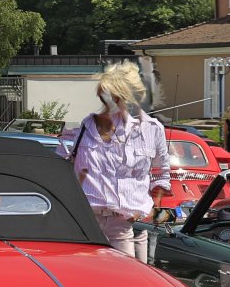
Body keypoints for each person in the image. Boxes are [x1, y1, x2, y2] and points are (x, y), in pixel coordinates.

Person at [71, 64, 171, 261]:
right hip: (87, 222)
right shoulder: (86, 127)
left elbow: (161, 174)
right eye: (104, 97)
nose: (107, 103)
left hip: (127, 223)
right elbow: (70, 170)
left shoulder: (152, 129)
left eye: (114, 97)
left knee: (130, 277)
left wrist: (147, 211)